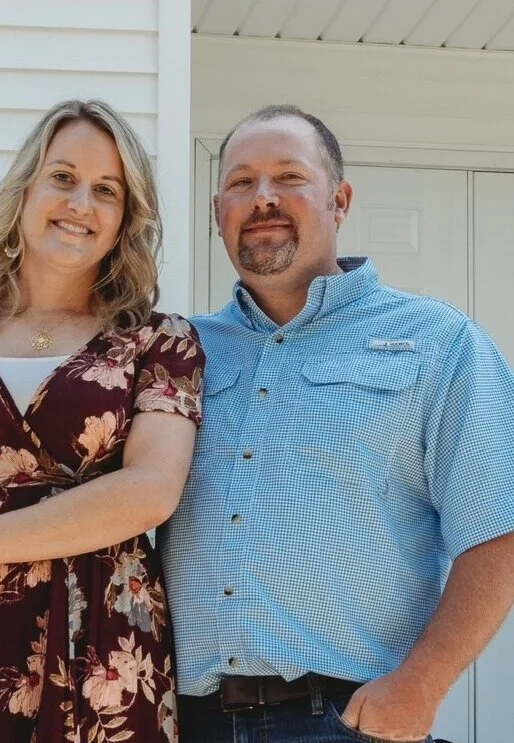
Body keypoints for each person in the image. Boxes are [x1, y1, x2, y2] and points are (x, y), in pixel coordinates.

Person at [162, 104, 514, 743]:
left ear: (340, 200)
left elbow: (500, 531)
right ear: (219, 215)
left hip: (350, 721)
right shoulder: (179, 355)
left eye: (288, 177)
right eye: (240, 183)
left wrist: (422, 686)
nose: (262, 197)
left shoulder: (439, 343)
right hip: (186, 721)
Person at [0, 99, 204, 742]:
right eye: (64, 177)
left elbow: (150, 491)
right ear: (25, 188)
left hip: (106, 661)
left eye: (107, 190)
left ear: (126, 219)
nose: (81, 203)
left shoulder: (160, 344)